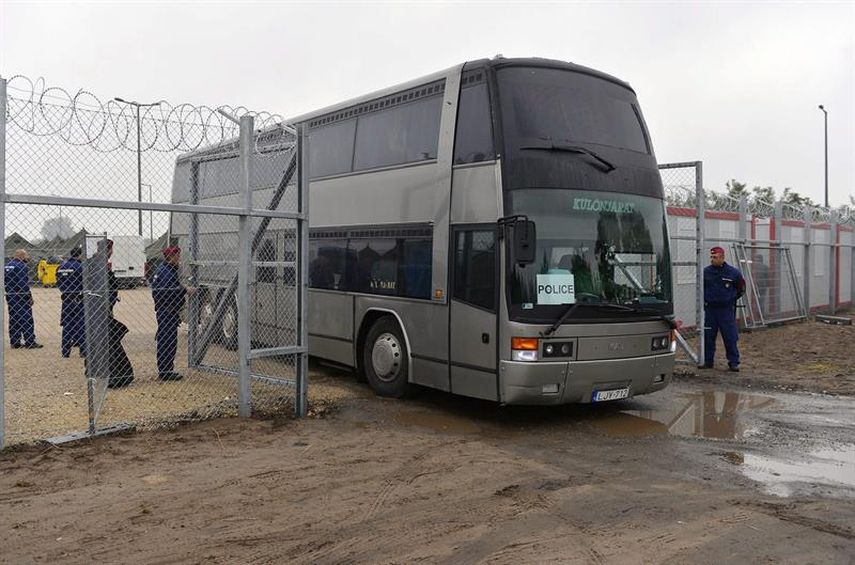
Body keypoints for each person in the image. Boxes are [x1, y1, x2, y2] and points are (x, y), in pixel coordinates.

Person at [151, 246, 194, 381]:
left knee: (166, 340)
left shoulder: (165, 270)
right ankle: (166, 371)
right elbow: (168, 291)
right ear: (171, 257)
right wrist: (184, 290)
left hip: (166, 311)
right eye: (177, 256)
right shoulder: (166, 272)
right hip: (167, 311)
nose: (179, 259)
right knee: (167, 341)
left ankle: (165, 369)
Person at [703, 246, 745, 372]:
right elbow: (701, 288)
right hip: (711, 310)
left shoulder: (733, 273)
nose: (712, 259)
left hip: (726, 310)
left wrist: (730, 299)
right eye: (711, 257)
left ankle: (733, 362)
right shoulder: (706, 272)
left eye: (715, 257)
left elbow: (741, 288)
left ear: (722, 257)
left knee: (730, 336)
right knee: (708, 336)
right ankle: (708, 361)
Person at [105, 239, 134, 388]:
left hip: (102, 309)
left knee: (110, 340)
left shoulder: (98, 266)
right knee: (110, 341)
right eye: (111, 249)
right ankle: (117, 374)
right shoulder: (100, 268)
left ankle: (119, 374)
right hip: (102, 310)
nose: (112, 252)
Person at [4, 249, 43, 349]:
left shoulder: (7, 266)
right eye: (26, 255)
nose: (27, 257)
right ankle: (30, 341)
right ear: (21, 256)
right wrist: (28, 296)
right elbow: (23, 284)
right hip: (20, 296)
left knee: (14, 319)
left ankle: (15, 342)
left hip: (10, 295)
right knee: (27, 319)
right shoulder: (21, 266)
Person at [57, 247, 86, 357]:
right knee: (81, 325)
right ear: (79, 255)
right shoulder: (80, 266)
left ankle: (65, 352)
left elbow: (58, 281)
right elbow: (85, 282)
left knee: (67, 325)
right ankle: (83, 351)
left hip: (66, 299)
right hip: (78, 298)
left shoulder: (61, 266)